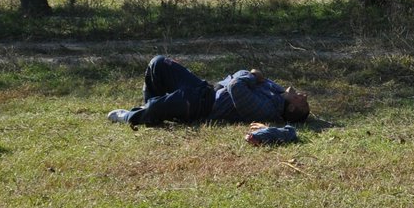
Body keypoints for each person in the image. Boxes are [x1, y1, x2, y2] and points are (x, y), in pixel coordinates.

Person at [108, 55, 310, 127]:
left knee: (158, 105)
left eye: (301, 100)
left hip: (202, 107)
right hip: (204, 89)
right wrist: (250, 76)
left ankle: (131, 117)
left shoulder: (266, 109)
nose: (303, 95)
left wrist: (251, 76)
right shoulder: (275, 90)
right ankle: (150, 114)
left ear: (291, 109)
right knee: (159, 63)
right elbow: (242, 72)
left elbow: (236, 85)